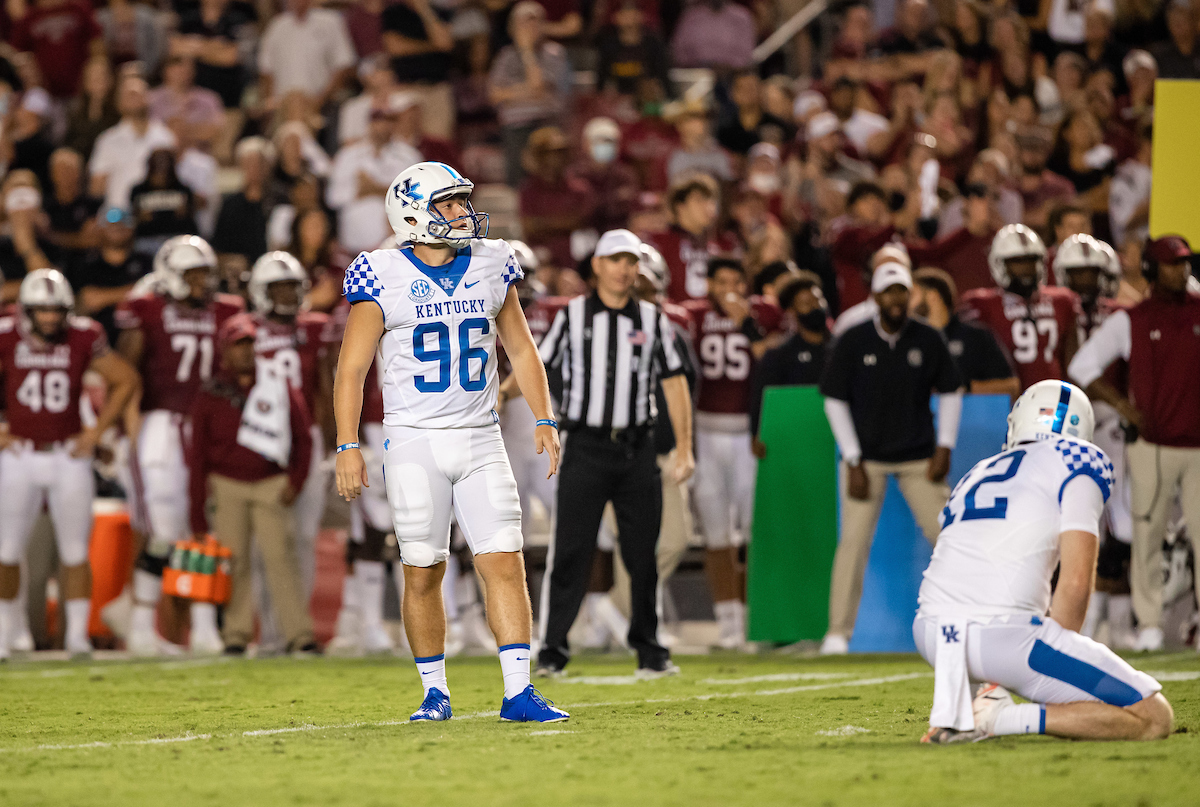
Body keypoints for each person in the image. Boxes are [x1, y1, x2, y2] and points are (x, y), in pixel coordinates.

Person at [333, 161, 568, 723]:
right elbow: (351, 369)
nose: (464, 212)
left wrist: (544, 416)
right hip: (414, 443)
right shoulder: (380, 271)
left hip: (481, 436)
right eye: (451, 204)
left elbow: (522, 347)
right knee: (422, 569)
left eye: (462, 202)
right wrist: (347, 445)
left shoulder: (491, 262)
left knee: (505, 561)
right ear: (414, 211)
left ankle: (518, 692)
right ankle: (434, 692)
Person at [916, 380, 1173, 744]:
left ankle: (974, 701)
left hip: (932, 634)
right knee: (1153, 717)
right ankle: (999, 718)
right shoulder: (1078, 460)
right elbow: (1076, 580)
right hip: (1004, 636)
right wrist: (1059, 666)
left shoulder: (979, 470)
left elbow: (954, 558)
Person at [536, 228, 694, 677]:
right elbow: (539, 366)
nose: (626, 269)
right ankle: (553, 650)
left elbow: (675, 381)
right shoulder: (572, 316)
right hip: (584, 444)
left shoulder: (653, 318)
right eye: (617, 260)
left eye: (632, 260)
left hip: (635, 449)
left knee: (643, 554)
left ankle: (649, 649)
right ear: (598, 266)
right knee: (570, 551)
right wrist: (503, 398)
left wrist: (685, 446)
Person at [819, 261, 963, 655]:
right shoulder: (853, 339)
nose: (896, 299)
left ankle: (966, 620)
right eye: (889, 292)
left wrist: (945, 445)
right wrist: (851, 459)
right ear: (875, 297)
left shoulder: (928, 339)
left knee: (950, 536)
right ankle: (837, 632)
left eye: (902, 290)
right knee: (852, 542)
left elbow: (951, 389)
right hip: (867, 458)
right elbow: (833, 397)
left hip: (918, 455)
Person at [1068, 235, 1200, 653]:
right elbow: (1081, 365)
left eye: (1184, 263)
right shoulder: (1133, 319)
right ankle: (1150, 624)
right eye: (1171, 264)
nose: (1181, 271)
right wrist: (1125, 406)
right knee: (1145, 534)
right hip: (1152, 444)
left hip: (1198, 445)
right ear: (1148, 269)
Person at [114, 235, 245, 656]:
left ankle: (204, 629)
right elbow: (126, 370)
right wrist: (126, 429)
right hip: (161, 427)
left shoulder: (227, 310)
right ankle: (139, 623)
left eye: (205, 274)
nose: (201, 283)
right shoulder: (147, 310)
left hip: (208, 428)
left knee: (200, 530)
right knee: (164, 531)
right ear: (170, 275)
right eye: (192, 274)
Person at [0, 269, 139, 659]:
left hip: (67, 454)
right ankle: (9, 632)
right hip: (19, 453)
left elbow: (125, 378)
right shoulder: (6, 334)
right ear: (25, 310)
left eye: (55, 310)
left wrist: (96, 434)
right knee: (7, 550)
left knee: (75, 550)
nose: (49, 318)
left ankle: (77, 635)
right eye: (41, 310)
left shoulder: (83, 335)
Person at [188, 314, 316, 656]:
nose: (245, 353)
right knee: (235, 562)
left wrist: (296, 479)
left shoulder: (277, 383)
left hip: (270, 482)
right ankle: (236, 634)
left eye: (249, 345)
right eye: (238, 346)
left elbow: (304, 437)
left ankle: (299, 635)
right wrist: (197, 513)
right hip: (227, 485)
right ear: (225, 351)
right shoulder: (210, 394)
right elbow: (196, 456)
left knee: (280, 559)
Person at [682, 258, 776, 650]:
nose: (729, 288)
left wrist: (748, 323)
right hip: (705, 431)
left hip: (746, 434)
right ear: (709, 285)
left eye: (736, 280)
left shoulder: (764, 313)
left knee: (754, 531)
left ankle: (756, 619)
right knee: (716, 534)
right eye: (722, 281)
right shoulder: (695, 316)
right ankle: (727, 625)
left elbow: (770, 359)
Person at [246, 251, 336, 643]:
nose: (286, 295)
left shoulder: (316, 327)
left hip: (306, 440)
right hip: (258, 437)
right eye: (277, 287)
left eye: (292, 286)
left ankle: (295, 627)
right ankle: (267, 628)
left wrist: (333, 442)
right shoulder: (241, 328)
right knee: (262, 541)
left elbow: (325, 385)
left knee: (301, 537)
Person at [1054, 234, 1134, 648]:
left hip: (1113, 420)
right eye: (1078, 273)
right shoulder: (1056, 311)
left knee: (1121, 520)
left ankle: (1116, 620)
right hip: (1069, 420)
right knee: (1079, 517)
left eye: (1092, 272)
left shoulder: (1123, 313)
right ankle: (1089, 621)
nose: (1085, 281)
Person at [959, 225, 1081, 392]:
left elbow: (1072, 359)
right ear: (999, 265)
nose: (1025, 270)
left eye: (1030, 261)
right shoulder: (981, 304)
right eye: (1017, 263)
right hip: (1007, 398)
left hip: (1054, 394)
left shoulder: (1062, 300)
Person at [488, 1, 573, 186]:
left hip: (546, 121)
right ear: (513, 28)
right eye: (524, 23)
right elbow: (495, 95)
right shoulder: (505, 56)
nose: (530, 28)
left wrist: (527, 52)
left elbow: (538, 86)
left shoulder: (554, 52)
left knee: (550, 171)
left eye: (535, 22)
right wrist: (527, 91)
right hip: (515, 124)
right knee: (518, 179)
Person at [326, 99, 421, 253]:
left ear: (394, 124)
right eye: (377, 121)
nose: (382, 126)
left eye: (388, 121)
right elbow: (332, 197)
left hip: (398, 246)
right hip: (353, 246)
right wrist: (364, 189)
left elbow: (418, 199)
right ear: (368, 124)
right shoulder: (348, 155)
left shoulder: (409, 156)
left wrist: (373, 188)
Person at [750, 271, 830, 451]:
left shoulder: (841, 348)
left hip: (833, 439)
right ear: (792, 312)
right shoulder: (780, 354)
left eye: (818, 300)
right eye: (806, 304)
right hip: (793, 442)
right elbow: (762, 396)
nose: (815, 307)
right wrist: (756, 433)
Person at [910, 267, 1018, 397]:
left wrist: (964, 388)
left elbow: (1012, 386)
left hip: (972, 415)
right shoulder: (908, 341)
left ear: (932, 297)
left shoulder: (976, 338)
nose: (905, 302)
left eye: (912, 295)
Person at [88, 75, 177, 213]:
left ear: (149, 97)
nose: (135, 98)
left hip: (157, 214)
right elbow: (97, 187)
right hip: (120, 218)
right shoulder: (107, 141)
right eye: (129, 95)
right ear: (119, 103)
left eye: (138, 94)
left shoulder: (165, 137)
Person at [647, 172, 738, 303]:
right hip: (675, 318)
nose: (708, 206)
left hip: (711, 321)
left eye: (711, 200)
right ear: (680, 206)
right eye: (700, 200)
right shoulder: (660, 243)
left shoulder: (724, 244)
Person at [257, 0, 356, 114]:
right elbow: (266, 68)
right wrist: (271, 102)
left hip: (322, 105)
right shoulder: (277, 26)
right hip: (284, 107)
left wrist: (320, 100)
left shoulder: (330, 21)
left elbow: (343, 63)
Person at [73, 207, 152, 345]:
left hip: (142, 342)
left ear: (133, 229)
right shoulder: (86, 265)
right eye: (112, 224)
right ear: (99, 229)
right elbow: (87, 301)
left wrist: (104, 297)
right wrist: (136, 291)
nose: (118, 227)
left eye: (125, 223)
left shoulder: (146, 261)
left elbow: (154, 297)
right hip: (99, 344)